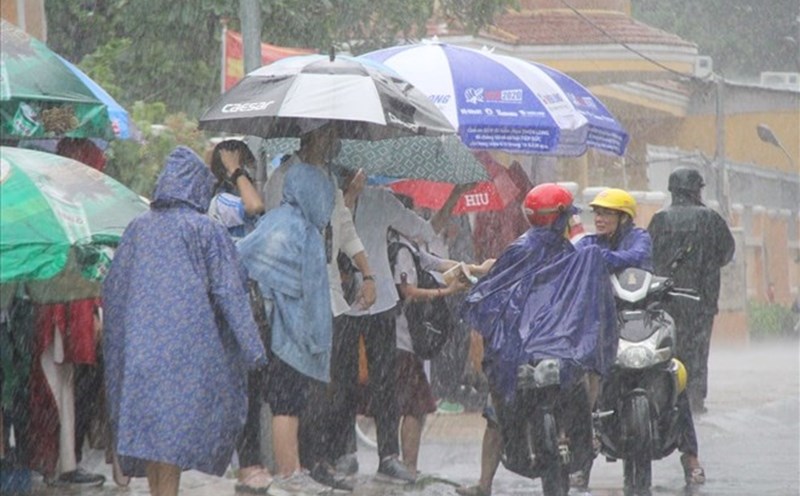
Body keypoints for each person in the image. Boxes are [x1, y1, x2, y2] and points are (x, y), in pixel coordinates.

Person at [102, 146, 267, 496]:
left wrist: (117, 348)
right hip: (187, 354)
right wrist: (253, 349)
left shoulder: (136, 229)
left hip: (141, 354)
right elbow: (230, 292)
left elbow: (114, 291)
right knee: (174, 437)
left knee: (152, 437)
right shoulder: (205, 230)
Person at [457, 183, 617, 496]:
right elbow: (499, 287)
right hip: (529, 346)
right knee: (496, 410)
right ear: (559, 218)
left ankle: (576, 438)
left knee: (504, 406)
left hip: (543, 345)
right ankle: (484, 484)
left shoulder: (569, 254)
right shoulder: (535, 250)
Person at [263, 125, 376, 490]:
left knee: (334, 388)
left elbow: (344, 229)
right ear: (311, 137)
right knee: (303, 386)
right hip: (298, 300)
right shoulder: (282, 179)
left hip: (333, 301)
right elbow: (276, 234)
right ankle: (301, 465)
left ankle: (321, 459)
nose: (334, 143)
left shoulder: (327, 178)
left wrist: (368, 274)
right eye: (328, 135)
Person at [336, 180, 468, 483]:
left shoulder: (380, 201)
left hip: (381, 302)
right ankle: (344, 452)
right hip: (340, 302)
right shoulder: (330, 199)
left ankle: (389, 456)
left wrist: (453, 197)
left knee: (385, 385)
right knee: (342, 382)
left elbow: (424, 231)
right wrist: (347, 198)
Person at [574, 187, 705, 488]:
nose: (600, 218)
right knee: (584, 377)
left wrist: (596, 257)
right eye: (597, 213)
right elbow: (577, 258)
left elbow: (632, 259)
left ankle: (691, 458)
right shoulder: (590, 242)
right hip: (606, 321)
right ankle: (583, 459)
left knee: (676, 374)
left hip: (644, 318)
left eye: (607, 213)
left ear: (624, 217)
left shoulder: (639, 238)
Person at [237, 161, 338, 496]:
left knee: (278, 401)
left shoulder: (273, 221)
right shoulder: (306, 232)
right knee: (287, 404)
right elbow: (312, 295)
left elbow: (243, 256)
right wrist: (318, 340)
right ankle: (289, 473)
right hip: (289, 334)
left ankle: (287, 469)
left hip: (261, 329)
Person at [206, 139, 271, 494]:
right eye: (247, 165)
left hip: (241, 304)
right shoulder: (222, 202)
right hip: (235, 307)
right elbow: (255, 205)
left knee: (249, 388)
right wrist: (235, 169)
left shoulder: (219, 202)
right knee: (245, 386)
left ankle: (249, 463)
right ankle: (247, 465)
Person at [648, 167, 735, 415]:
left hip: (666, 298)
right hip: (701, 298)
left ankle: (670, 394)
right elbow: (727, 252)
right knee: (698, 349)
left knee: (668, 347)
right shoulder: (711, 219)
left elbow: (648, 256)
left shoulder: (660, 219)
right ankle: (695, 398)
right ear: (696, 190)